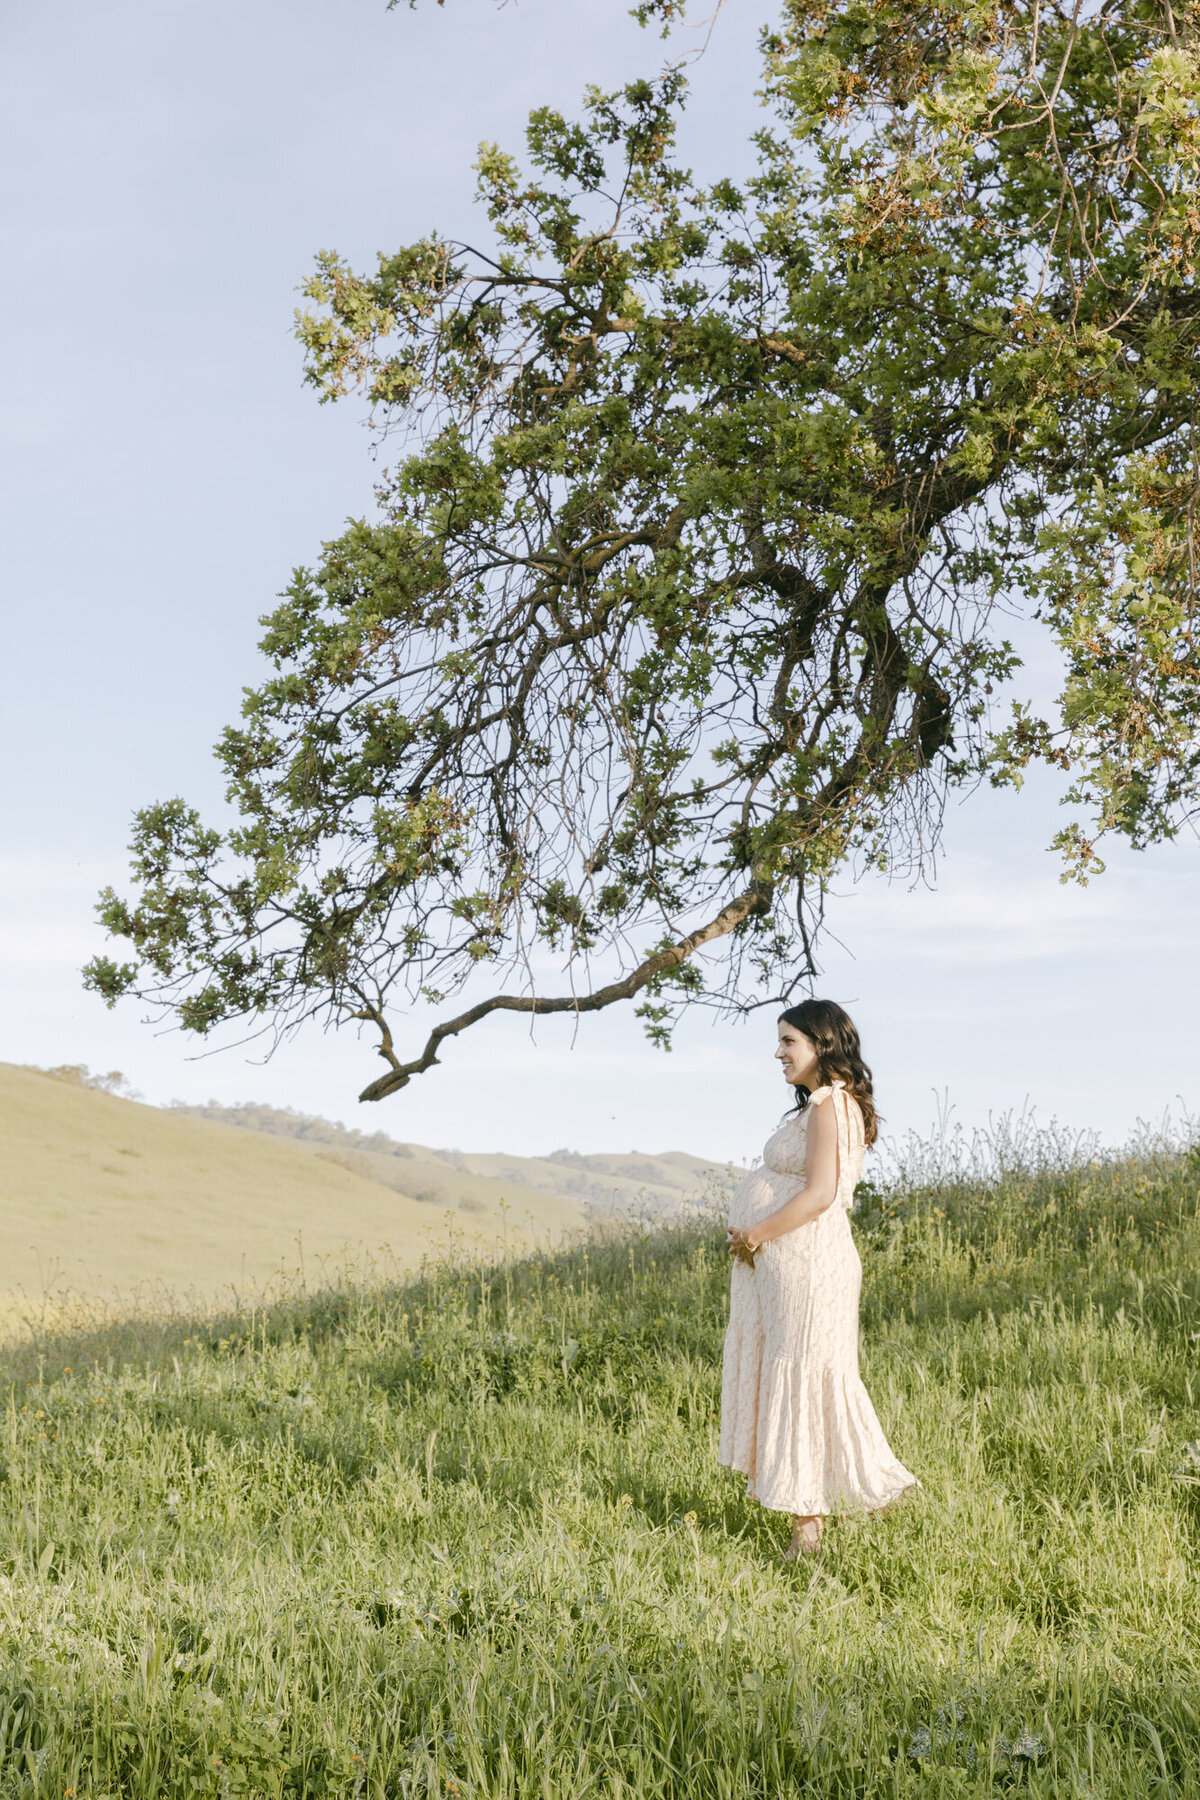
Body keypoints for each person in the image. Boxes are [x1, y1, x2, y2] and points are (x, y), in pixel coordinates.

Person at [719, 999, 916, 1557]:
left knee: (807, 1384)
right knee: (805, 1383)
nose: (778, 1053)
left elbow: (820, 1193)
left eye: (789, 1042)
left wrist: (756, 1233)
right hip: (792, 1266)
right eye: (780, 1042)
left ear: (821, 1045)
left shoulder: (831, 1103)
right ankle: (831, 1522)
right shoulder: (820, 1105)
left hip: (809, 1265)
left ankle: (811, 1536)